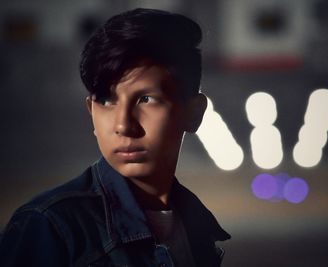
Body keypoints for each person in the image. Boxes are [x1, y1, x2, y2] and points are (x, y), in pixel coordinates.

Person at [0, 8, 230, 267]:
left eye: (146, 99)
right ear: (91, 112)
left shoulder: (196, 224)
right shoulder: (49, 227)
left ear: (194, 113)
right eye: (107, 100)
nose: (123, 124)